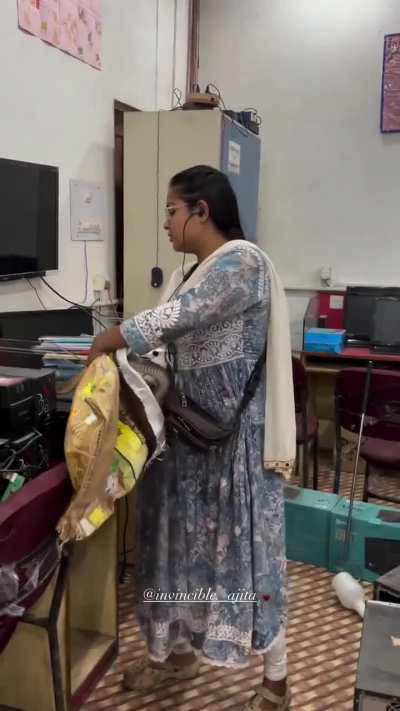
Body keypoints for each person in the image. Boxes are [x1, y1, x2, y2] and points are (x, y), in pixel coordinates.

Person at [87, 165, 295, 710]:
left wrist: (111, 336)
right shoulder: (196, 270)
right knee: (173, 554)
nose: (166, 223)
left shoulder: (240, 263)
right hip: (184, 444)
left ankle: (275, 681)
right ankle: (173, 653)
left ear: (202, 211)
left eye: (172, 210)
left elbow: (179, 318)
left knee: (247, 561)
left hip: (234, 453)